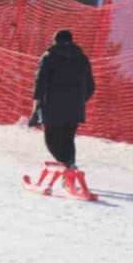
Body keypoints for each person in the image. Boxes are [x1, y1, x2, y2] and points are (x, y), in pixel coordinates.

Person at [33, 29, 95, 169]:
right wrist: (78, 101)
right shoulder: (83, 58)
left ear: (55, 41)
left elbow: (40, 83)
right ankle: (70, 167)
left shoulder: (49, 56)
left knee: (51, 140)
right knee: (68, 139)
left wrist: (36, 106)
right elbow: (91, 86)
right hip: (75, 109)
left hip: (52, 108)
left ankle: (67, 166)